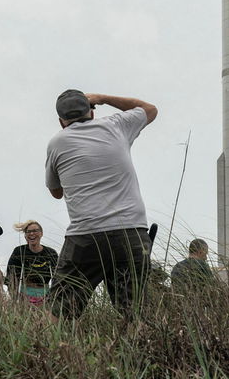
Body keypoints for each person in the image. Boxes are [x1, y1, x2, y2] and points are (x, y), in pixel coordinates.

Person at [45, 90, 157, 320]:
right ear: (92, 112)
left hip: (86, 236)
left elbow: (56, 192)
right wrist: (104, 98)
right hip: (131, 232)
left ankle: (49, 354)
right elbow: (150, 109)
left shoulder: (57, 142)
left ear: (61, 121)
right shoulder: (116, 126)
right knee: (134, 314)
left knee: (57, 312)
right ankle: (139, 354)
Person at [6, 220, 59, 305]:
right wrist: (15, 298)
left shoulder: (51, 253)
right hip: (25, 296)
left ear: (41, 233)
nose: (31, 234)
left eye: (35, 231)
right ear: (25, 236)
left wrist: (52, 298)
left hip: (45, 296)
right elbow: (11, 276)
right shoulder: (19, 251)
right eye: (28, 232)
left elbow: (58, 277)